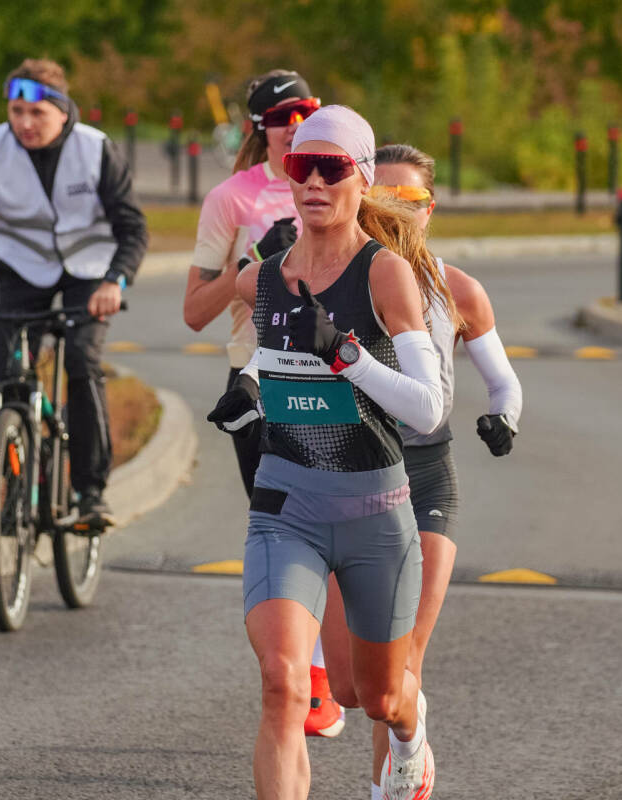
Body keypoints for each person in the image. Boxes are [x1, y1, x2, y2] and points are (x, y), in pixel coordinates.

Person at [207, 105, 443, 800]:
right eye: (299, 165)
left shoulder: (385, 276)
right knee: (284, 683)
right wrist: (246, 388)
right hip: (286, 505)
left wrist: (343, 355)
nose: (312, 180)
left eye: (331, 167)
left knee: (370, 694)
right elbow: (268, 353)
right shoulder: (266, 275)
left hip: (375, 509)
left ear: (361, 178)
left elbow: (429, 409)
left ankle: (409, 733)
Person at [319, 143, 523, 800]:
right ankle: (411, 730)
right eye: (382, 196)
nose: (392, 210)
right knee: (350, 686)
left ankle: (394, 779)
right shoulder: (337, 277)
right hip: (347, 482)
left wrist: (504, 419)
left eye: (408, 201)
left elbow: (504, 382)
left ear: (428, 209)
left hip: (425, 481)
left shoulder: (455, 287)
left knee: (398, 665)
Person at [182, 69, 346, 739]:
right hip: (255, 380)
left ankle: (324, 675)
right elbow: (194, 312)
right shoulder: (231, 198)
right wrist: (249, 267)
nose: (296, 123)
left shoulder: (338, 180)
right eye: (281, 116)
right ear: (260, 129)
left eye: (307, 109)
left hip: (335, 378)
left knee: (337, 529)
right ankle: (302, 678)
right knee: (284, 534)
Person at [0, 58, 147, 528]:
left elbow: (133, 228)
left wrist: (114, 281)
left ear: (63, 112)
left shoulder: (94, 149)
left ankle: (89, 490)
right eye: (15, 111)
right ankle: (15, 481)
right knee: (7, 379)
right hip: (20, 270)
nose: (24, 123)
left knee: (81, 361)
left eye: (36, 114)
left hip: (88, 273)